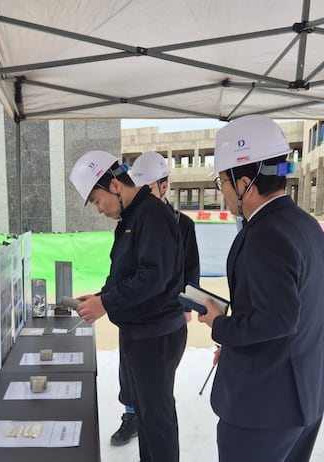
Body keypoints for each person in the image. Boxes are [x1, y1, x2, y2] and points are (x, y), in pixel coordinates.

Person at [197, 114, 324, 462]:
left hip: (264, 408)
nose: (222, 192)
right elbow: (300, 309)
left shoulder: (265, 235)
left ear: (245, 183)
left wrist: (220, 325)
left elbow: (277, 321)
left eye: (223, 181)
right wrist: (237, 345)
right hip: (305, 396)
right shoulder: (305, 225)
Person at [69, 150, 187, 462]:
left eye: (97, 201)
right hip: (141, 333)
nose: (99, 209)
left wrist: (105, 303)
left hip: (156, 335)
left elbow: (153, 277)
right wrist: (100, 296)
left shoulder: (152, 216)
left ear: (115, 186)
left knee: (157, 419)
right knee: (146, 416)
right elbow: (125, 273)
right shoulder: (132, 217)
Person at [109, 151, 201, 447]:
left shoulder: (181, 224)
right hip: (135, 316)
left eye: (150, 187)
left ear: (164, 185)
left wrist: (187, 306)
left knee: (156, 395)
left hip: (162, 319)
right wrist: (110, 298)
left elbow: (189, 269)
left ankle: (145, 418)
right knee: (130, 375)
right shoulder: (131, 220)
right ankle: (131, 415)